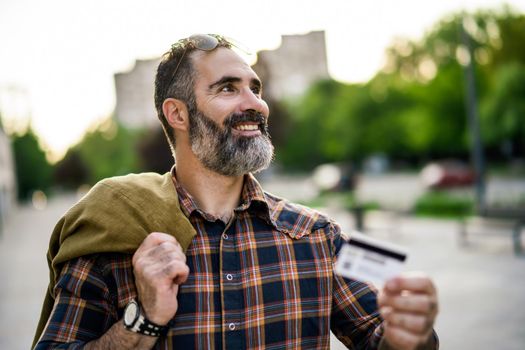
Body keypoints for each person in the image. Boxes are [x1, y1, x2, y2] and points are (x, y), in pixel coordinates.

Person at [34, 34, 439, 349]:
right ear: (177, 113)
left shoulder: (320, 236)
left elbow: (385, 338)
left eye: (255, 88)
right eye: (228, 88)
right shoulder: (113, 234)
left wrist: (412, 335)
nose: (256, 105)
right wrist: (144, 321)